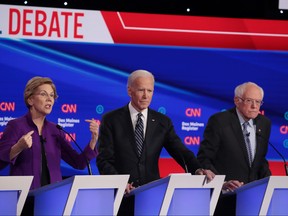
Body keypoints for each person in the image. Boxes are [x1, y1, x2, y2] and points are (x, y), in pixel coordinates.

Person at [96, 69, 215, 215]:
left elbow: (181, 151)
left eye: (150, 90)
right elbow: (104, 160)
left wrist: (197, 169)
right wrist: (118, 182)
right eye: (141, 90)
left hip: (152, 198)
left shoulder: (162, 122)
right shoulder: (111, 120)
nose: (146, 96)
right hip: (120, 198)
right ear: (129, 90)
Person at [0, 76, 99, 214]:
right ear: (30, 99)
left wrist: (93, 140)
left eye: (52, 95)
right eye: (43, 94)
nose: (49, 99)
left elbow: (78, 163)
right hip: (24, 200)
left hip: (52, 201)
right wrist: (19, 147)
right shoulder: (16, 126)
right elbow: (1, 160)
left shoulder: (55, 130)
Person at [197, 81, 272, 215]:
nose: (255, 106)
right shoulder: (219, 121)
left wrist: (272, 184)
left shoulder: (264, 123)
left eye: (258, 102)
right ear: (237, 101)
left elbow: (260, 161)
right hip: (226, 198)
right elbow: (204, 158)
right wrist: (223, 182)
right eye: (249, 101)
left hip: (254, 200)